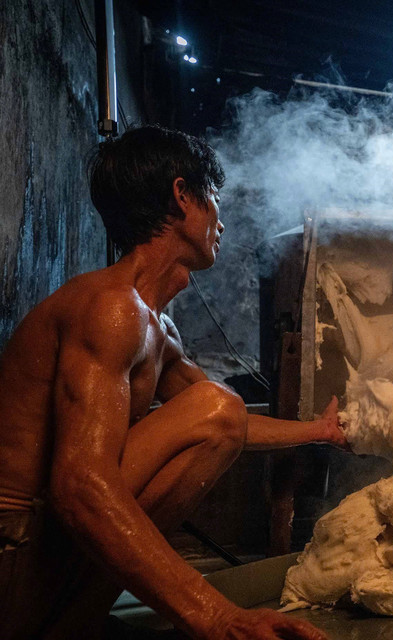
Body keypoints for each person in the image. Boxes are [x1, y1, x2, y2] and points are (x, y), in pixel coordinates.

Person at [0, 125, 345, 639]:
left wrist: (319, 431)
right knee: (214, 407)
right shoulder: (111, 309)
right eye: (213, 200)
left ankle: (75, 623)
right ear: (182, 196)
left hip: (43, 552)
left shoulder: (155, 327)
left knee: (216, 407)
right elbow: (77, 486)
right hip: (13, 553)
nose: (221, 221)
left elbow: (224, 422)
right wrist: (220, 617)